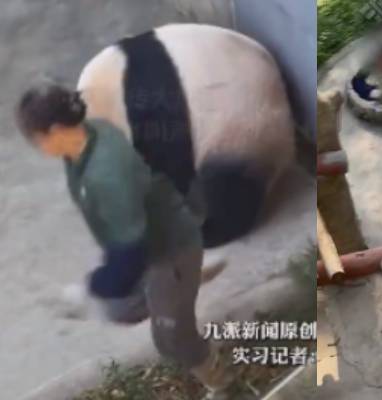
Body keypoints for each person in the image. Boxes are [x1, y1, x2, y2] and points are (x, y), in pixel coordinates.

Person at [15, 83, 233, 399]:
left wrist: (92, 288)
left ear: (56, 130)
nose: (37, 147)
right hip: (153, 237)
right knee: (121, 309)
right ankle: (186, 282)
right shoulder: (87, 136)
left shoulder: (106, 173)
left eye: (36, 139)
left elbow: (131, 251)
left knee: (172, 339)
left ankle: (220, 380)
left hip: (169, 249)